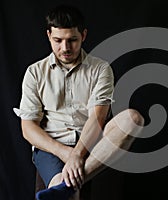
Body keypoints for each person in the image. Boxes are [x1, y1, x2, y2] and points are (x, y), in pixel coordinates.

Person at [13, 4, 144, 200]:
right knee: (68, 194)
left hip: (92, 142)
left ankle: (66, 186)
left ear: (83, 35)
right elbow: (28, 128)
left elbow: (98, 118)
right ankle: (66, 187)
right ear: (48, 35)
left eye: (72, 40)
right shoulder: (35, 72)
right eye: (58, 40)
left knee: (133, 119)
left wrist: (77, 154)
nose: (65, 48)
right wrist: (66, 153)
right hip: (52, 146)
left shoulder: (100, 69)